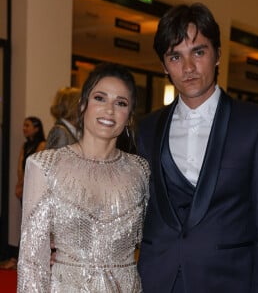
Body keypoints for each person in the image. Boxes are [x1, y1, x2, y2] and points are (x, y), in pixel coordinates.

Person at [136, 3, 258, 293]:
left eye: (198, 52)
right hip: (157, 280)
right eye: (175, 56)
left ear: (218, 54)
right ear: (164, 66)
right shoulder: (147, 127)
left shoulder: (257, 123)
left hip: (228, 281)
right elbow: (136, 209)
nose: (188, 68)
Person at [17, 63, 150, 292]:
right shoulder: (44, 166)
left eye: (121, 103)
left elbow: (150, 239)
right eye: (100, 98)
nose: (109, 110)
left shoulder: (140, 170)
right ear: (82, 106)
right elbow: (32, 262)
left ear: (129, 115)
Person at [0, 116, 46, 270]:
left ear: (37, 128)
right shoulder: (25, 145)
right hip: (25, 187)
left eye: (27, 125)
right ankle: (19, 257)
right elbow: (21, 166)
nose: (24, 128)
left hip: (36, 188)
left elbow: (35, 169)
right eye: (23, 125)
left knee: (33, 223)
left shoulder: (42, 144)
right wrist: (19, 185)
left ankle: (27, 258)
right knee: (25, 222)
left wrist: (25, 185)